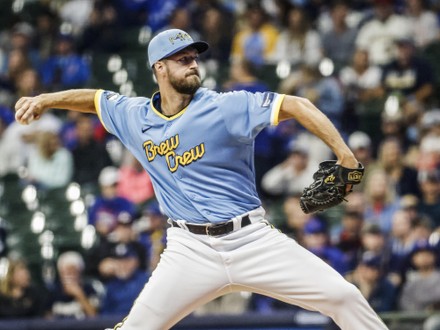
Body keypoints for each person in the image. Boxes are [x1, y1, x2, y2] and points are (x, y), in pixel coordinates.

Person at [14, 28, 388, 330]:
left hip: (250, 239)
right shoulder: (135, 115)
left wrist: (345, 155)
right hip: (188, 250)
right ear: (159, 68)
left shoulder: (225, 106)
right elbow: (95, 98)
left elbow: (296, 105)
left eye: (194, 57)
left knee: (344, 297)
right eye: (183, 59)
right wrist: (46, 100)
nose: (193, 64)